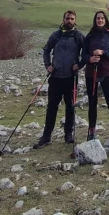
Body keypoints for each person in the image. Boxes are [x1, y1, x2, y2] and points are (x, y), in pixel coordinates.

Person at [34, 10, 84, 149]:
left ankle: (68, 135)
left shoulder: (78, 36)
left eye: (72, 19)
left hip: (71, 78)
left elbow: (86, 52)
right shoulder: (56, 35)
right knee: (51, 107)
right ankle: (46, 136)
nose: (69, 21)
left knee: (70, 107)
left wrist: (79, 65)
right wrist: (48, 65)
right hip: (55, 77)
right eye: (67, 18)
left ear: (75, 20)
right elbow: (46, 50)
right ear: (63, 19)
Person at [81, 10, 109, 150]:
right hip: (91, 73)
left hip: (105, 72)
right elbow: (83, 55)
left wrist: (103, 53)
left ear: (105, 20)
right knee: (92, 103)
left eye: (102, 18)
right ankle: (91, 133)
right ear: (95, 20)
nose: (100, 20)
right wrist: (90, 59)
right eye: (98, 18)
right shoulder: (89, 36)